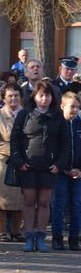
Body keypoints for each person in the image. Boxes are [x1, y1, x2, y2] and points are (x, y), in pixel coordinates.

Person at [9, 81, 68, 253]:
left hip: (49, 167)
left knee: (44, 202)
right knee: (28, 201)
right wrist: (19, 161)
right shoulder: (24, 115)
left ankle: (41, 237)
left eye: (48, 95)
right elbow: (15, 140)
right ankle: (28, 236)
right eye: (41, 95)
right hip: (28, 166)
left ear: (52, 97)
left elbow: (65, 143)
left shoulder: (58, 116)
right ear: (34, 97)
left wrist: (59, 164)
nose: (44, 98)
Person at [0, 83, 24, 242]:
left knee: (20, 198)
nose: (14, 98)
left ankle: (17, 232)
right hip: (1, 162)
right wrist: (16, 152)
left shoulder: (27, 114)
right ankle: (1, 231)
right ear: (3, 97)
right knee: (1, 198)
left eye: (16, 95)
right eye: (10, 95)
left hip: (23, 162)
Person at [51, 92, 81, 251]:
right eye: (72, 106)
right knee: (58, 205)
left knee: (76, 205)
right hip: (60, 173)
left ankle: (74, 238)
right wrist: (64, 169)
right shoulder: (56, 124)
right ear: (62, 106)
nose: (75, 110)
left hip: (78, 174)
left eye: (77, 107)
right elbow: (54, 151)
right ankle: (57, 238)